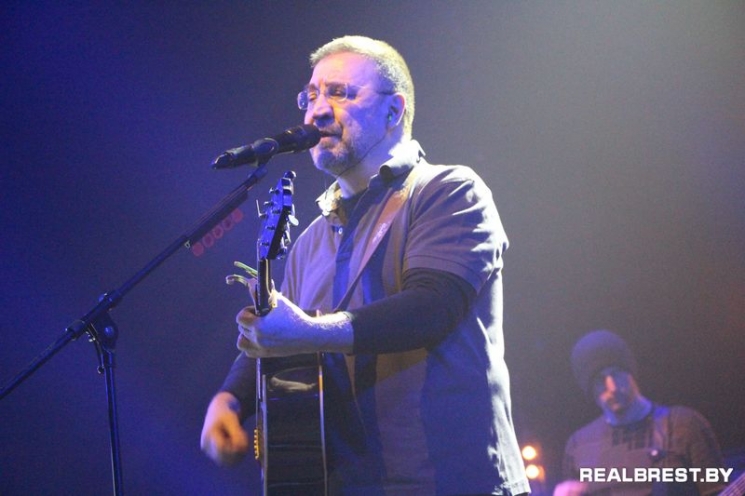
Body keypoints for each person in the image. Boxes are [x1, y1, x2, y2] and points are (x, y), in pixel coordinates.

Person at [200, 35, 530, 496]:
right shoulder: (310, 240)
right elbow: (282, 333)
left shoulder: (449, 191)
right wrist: (230, 398)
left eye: (339, 93)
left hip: (452, 482)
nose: (317, 111)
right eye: (310, 96)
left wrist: (309, 332)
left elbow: (430, 308)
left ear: (393, 112)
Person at [554, 330, 726, 496]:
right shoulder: (578, 446)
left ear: (631, 373)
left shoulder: (684, 426)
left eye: (616, 374)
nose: (613, 387)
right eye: (600, 380)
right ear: (589, 389)